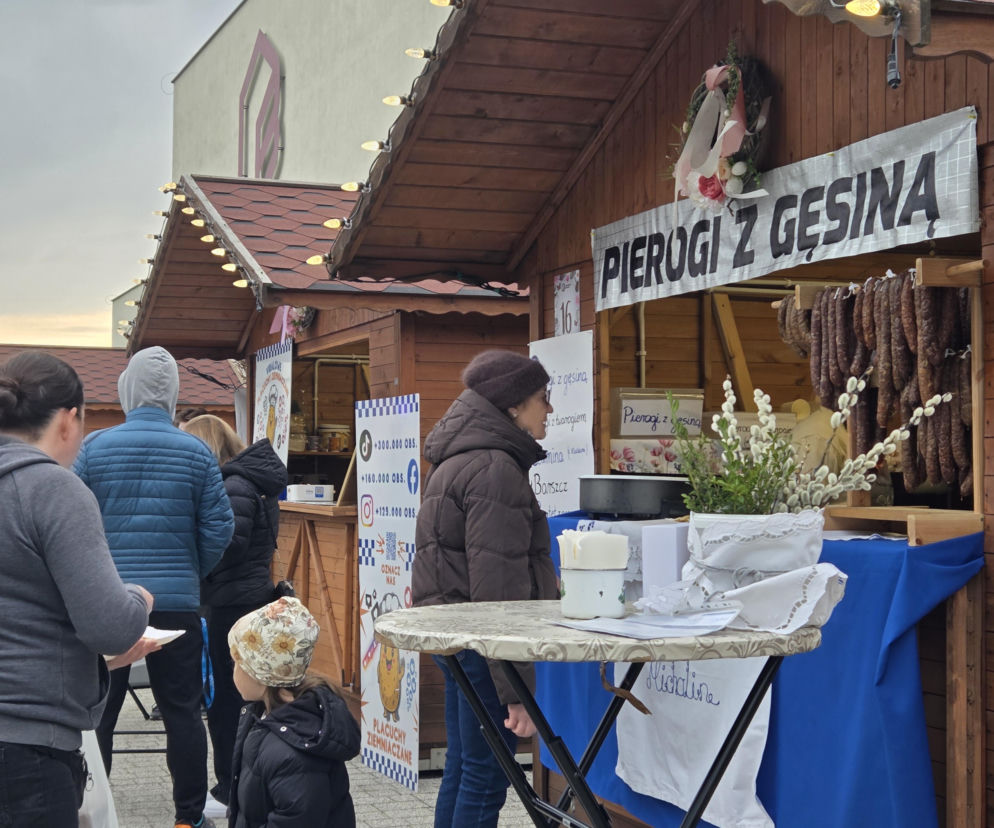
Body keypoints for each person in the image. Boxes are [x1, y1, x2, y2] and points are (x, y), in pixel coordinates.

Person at [74, 346, 235, 828]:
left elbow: (74, 522)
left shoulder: (94, 447)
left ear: (126, 389)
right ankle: (188, 816)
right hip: (177, 605)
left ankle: (89, 810)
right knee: (182, 711)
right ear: (173, 395)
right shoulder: (196, 452)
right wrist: (188, 570)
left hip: (109, 602)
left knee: (100, 710)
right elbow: (219, 529)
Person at [0, 350, 155, 827]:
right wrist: (139, 599)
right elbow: (110, 625)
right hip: (28, 746)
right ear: (69, 420)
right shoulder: (52, 488)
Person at [413, 349, 559, 828]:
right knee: (487, 772)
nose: (550, 409)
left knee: (464, 764)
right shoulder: (495, 468)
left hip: (456, 635)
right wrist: (515, 689)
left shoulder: (463, 458)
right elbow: (500, 592)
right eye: (543, 397)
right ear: (513, 405)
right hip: (482, 641)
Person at [181, 414, 287, 811]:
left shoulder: (233, 486)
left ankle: (230, 786)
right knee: (237, 698)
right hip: (242, 600)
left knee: (228, 701)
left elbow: (228, 547)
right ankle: (236, 782)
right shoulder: (246, 481)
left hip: (231, 605)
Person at [226, 597, 360, 828]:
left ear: (261, 675)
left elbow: (296, 819)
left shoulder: (294, 753)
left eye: (237, 663)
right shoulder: (264, 715)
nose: (233, 670)